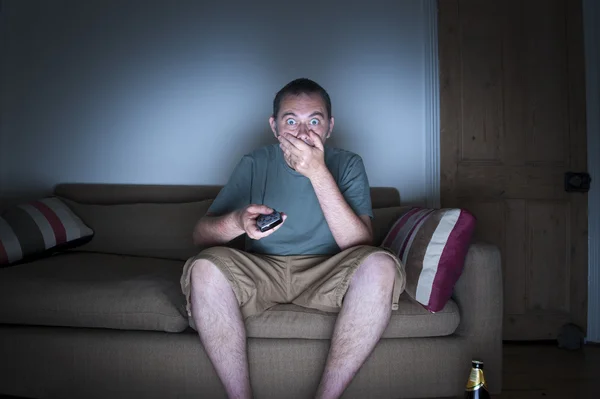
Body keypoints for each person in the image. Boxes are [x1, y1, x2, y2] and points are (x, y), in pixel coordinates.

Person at [180, 78, 406, 399]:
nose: (303, 133)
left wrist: (317, 172)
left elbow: (360, 246)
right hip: (262, 270)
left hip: (328, 272)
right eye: (291, 121)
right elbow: (200, 236)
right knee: (203, 268)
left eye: (314, 121)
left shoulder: (348, 163)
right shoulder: (256, 162)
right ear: (274, 126)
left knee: (381, 265)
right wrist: (239, 221)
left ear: (329, 126)